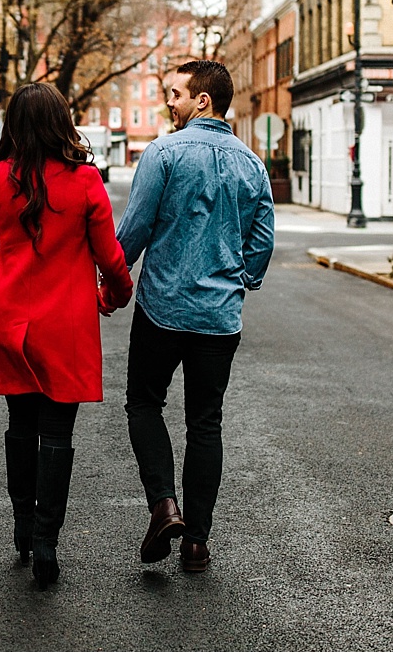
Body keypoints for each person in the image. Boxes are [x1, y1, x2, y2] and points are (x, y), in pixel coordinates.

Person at [0, 83, 134, 588]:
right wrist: (114, 296)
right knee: (57, 434)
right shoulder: (86, 180)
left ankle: (21, 525)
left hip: (13, 322)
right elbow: (110, 257)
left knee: (20, 425)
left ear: (13, 125)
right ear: (62, 122)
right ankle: (46, 540)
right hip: (66, 325)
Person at [116, 60, 275, 574]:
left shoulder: (163, 152)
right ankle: (197, 542)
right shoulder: (252, 163)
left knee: (143, 403)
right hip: (218, 318)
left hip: (162, 307)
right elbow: (262, 238)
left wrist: (111, 276)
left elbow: (136, 227)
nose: (169, 102)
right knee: (206, 423)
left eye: (175, 94)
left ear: (201, 100)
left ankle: (164, 506)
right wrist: (239, 280)